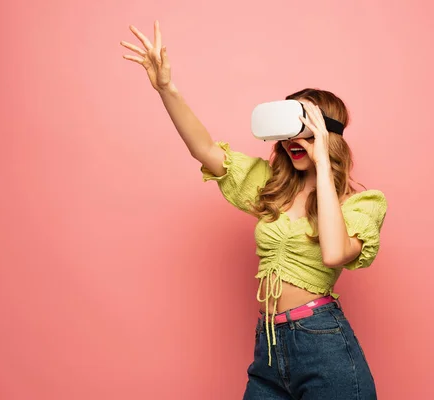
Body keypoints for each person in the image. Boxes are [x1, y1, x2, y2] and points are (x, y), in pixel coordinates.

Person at [121, 20, 387, 400]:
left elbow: (333, 253)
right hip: (269, 345)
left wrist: (324, 161)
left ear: (326, 135)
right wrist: (167, 89)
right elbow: (204, 150)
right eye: (288, 131)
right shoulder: (271, 188)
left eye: (305, 129)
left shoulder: (362, 205)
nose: (294, 141)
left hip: (324, 345)